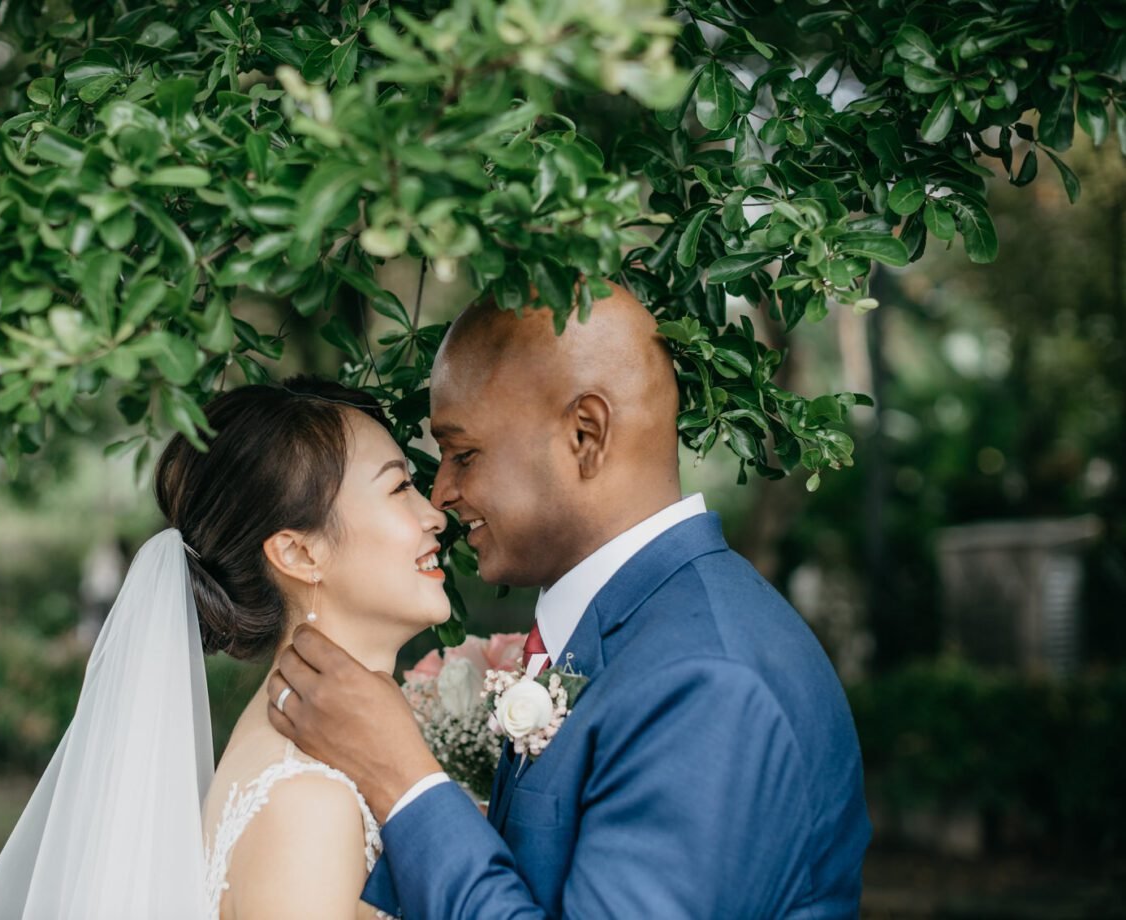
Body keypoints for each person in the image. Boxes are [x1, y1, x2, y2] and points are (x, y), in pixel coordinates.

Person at [268, 283, 872, 918]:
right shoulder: (628, 629)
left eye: (464, 453)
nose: (441, 493)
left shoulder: (706, 681)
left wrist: (405, 784)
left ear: (586, 434)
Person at [0, 377, 449, 919]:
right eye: (398, 487)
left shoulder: (310, 761)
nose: (434, 514)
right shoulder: (307, 802)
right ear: (298, 553)